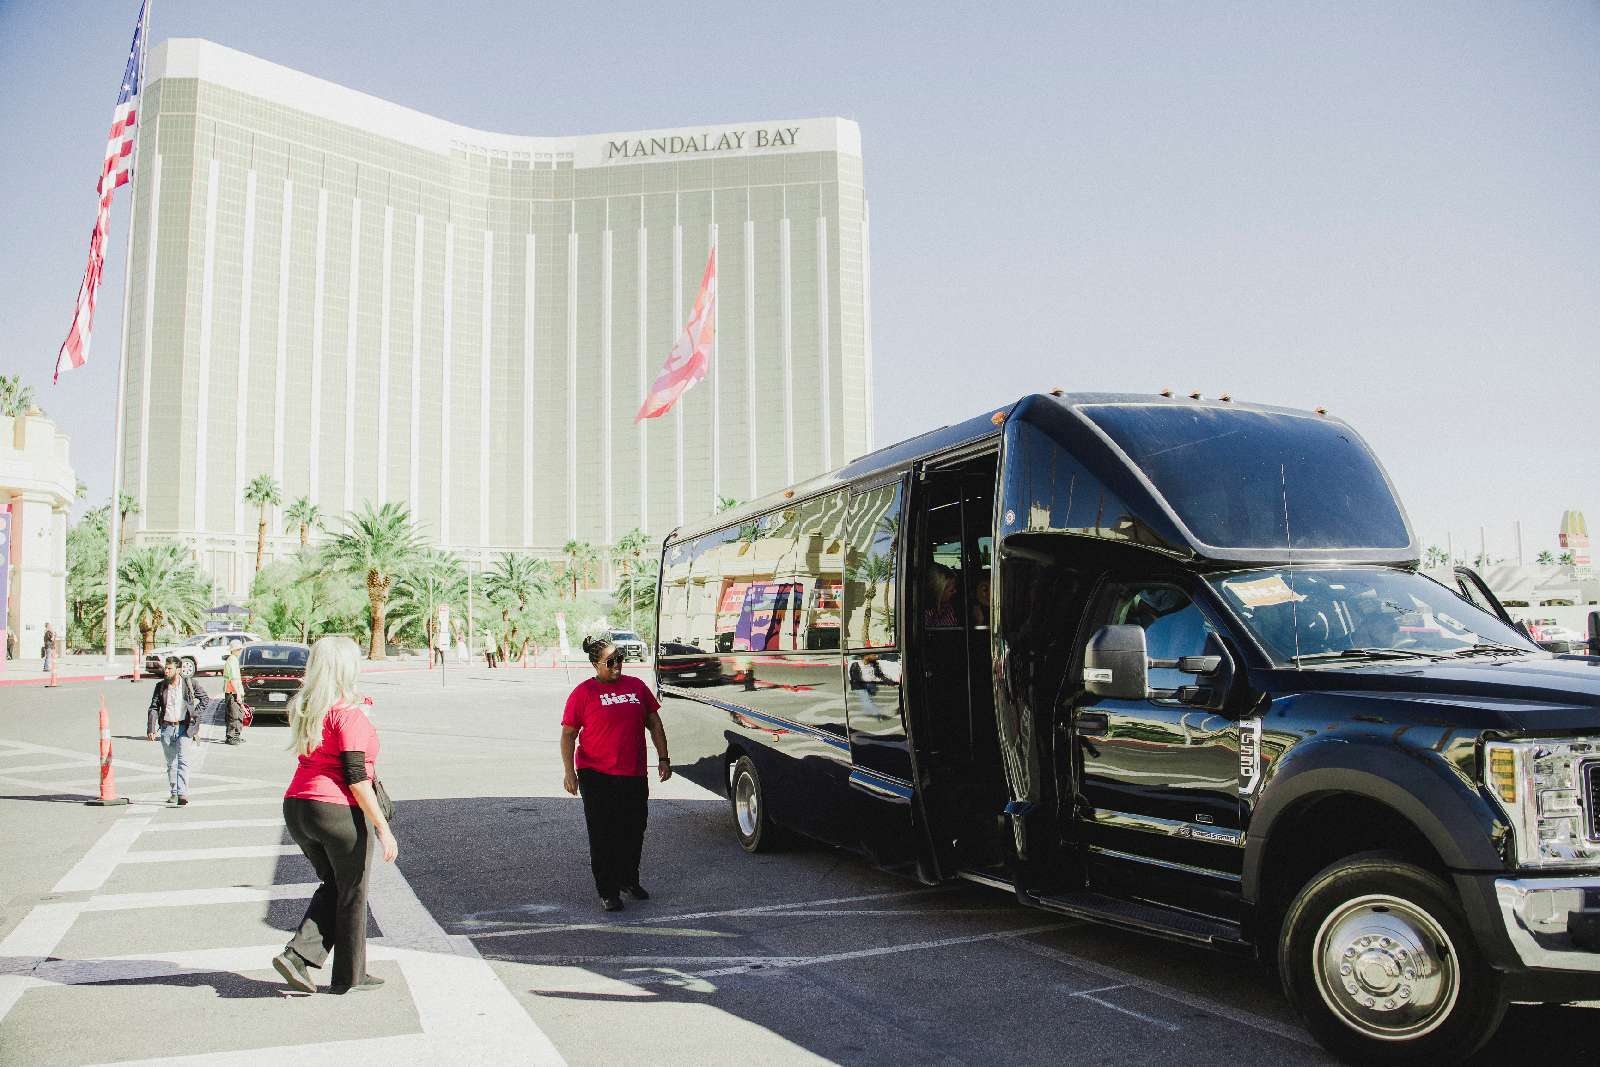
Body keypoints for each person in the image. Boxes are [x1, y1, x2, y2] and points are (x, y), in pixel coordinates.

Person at [273, 635, 397, 996]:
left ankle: (310, 959)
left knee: (337, 887)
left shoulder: (308, 709)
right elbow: (357, 779)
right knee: (352, 891)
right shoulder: (349, 715)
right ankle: (339, 972)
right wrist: (383, 828)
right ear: (348, 667)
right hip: (336, 810)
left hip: (298, 806)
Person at [560, 635, 672, 912]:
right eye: (610, 662)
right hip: (596, 774)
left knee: (634, 830)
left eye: (619, 659)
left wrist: (664, 757)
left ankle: (628, 880)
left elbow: (654, 724)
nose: (617, 665)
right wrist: (569, 772)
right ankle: (608, 891)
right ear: (596, 665)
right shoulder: (583, 693)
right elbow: (568, 735)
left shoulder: (636, 687)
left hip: (633, 772)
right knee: (603, 834)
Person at [145, 656, 209, 806]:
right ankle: (174, 792)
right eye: (165, 668)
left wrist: (194, 714)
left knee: (183, 761)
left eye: (169, 669)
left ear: (178, 670)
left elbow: (205, 699)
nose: (166, 671)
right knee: (171, 763)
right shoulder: (160, 686)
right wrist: (151, 728)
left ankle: (182, 793)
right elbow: (154, 708)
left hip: (184, 728)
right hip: (167, 728)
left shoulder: (190, 684)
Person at [222, 640, 246, 745]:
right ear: (235, 650)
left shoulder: (233, 660)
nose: (240, 651)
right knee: (234, 715)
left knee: (237, 715)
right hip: (233, 692)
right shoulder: (232, 660)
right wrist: (238, 694)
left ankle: (236, 735)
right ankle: (231, 737)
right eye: (239, 649)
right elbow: (233, 679)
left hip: (233, 691)